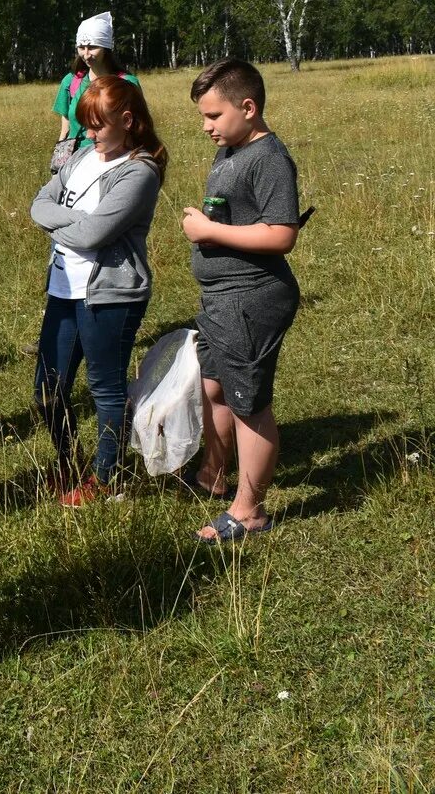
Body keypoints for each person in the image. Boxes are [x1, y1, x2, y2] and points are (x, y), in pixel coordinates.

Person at [180, 59, 302, 543]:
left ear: (247, 108)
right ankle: (213, 474)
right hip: (221, 297)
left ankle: (249, 512)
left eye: (213, 116)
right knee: (214, 388)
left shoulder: (269, 158)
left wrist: (210, 231)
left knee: (249, 402)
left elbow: (282, 234)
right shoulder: (231, 149)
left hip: (250, 299)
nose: (206, 126)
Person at [30, 78, 167, 505]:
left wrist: (60, 222)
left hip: (110, 295)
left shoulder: (139, 171)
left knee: (105, 389)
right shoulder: (84, 156)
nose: (88, 135)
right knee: (47, 390)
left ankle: (107, 480)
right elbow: (38, 202)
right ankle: (67, 464)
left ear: (127, 121)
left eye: (97, 126)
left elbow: (93, 234)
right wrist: (71, 222)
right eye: (85, 126)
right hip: (64, 287)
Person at [50, 12, 142, 174]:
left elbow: (136, 128)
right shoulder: (71, 82)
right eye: (81, 47)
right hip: (74, 163)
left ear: (106, 48)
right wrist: (57, 167)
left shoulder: (127, 84)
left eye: (92, 47)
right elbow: (65, 129)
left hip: (112, 163)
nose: (86, 54)